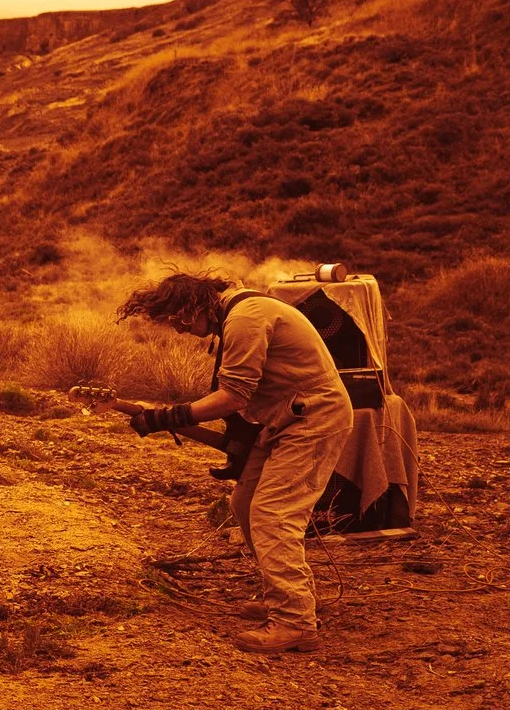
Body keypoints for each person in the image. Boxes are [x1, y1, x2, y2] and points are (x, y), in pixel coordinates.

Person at [117, 271, 353, 654]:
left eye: (178, 321)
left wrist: (166, 417)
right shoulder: (238, 315)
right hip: (283, 419)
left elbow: (233, 397)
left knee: (273, 514)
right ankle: (286, 594)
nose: (180, 331)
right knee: (244, 503)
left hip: (312, 419)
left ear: (192, 306)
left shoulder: (246, 317)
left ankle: (295, 622)